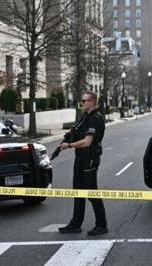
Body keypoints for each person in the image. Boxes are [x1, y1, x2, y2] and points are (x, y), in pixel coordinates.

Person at [58, 91, 108, 236]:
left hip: (89, 159)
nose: (82, 103)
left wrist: (70, 145)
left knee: (91, 193)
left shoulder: (95, 119)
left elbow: (87, 142)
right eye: (82, 100)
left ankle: (101, 224)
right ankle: (75, 224)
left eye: (84, 100)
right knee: (78, 192)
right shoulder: (85, 117)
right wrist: (68, 137)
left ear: (92, 102)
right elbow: (77, 132)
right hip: (80, 158)